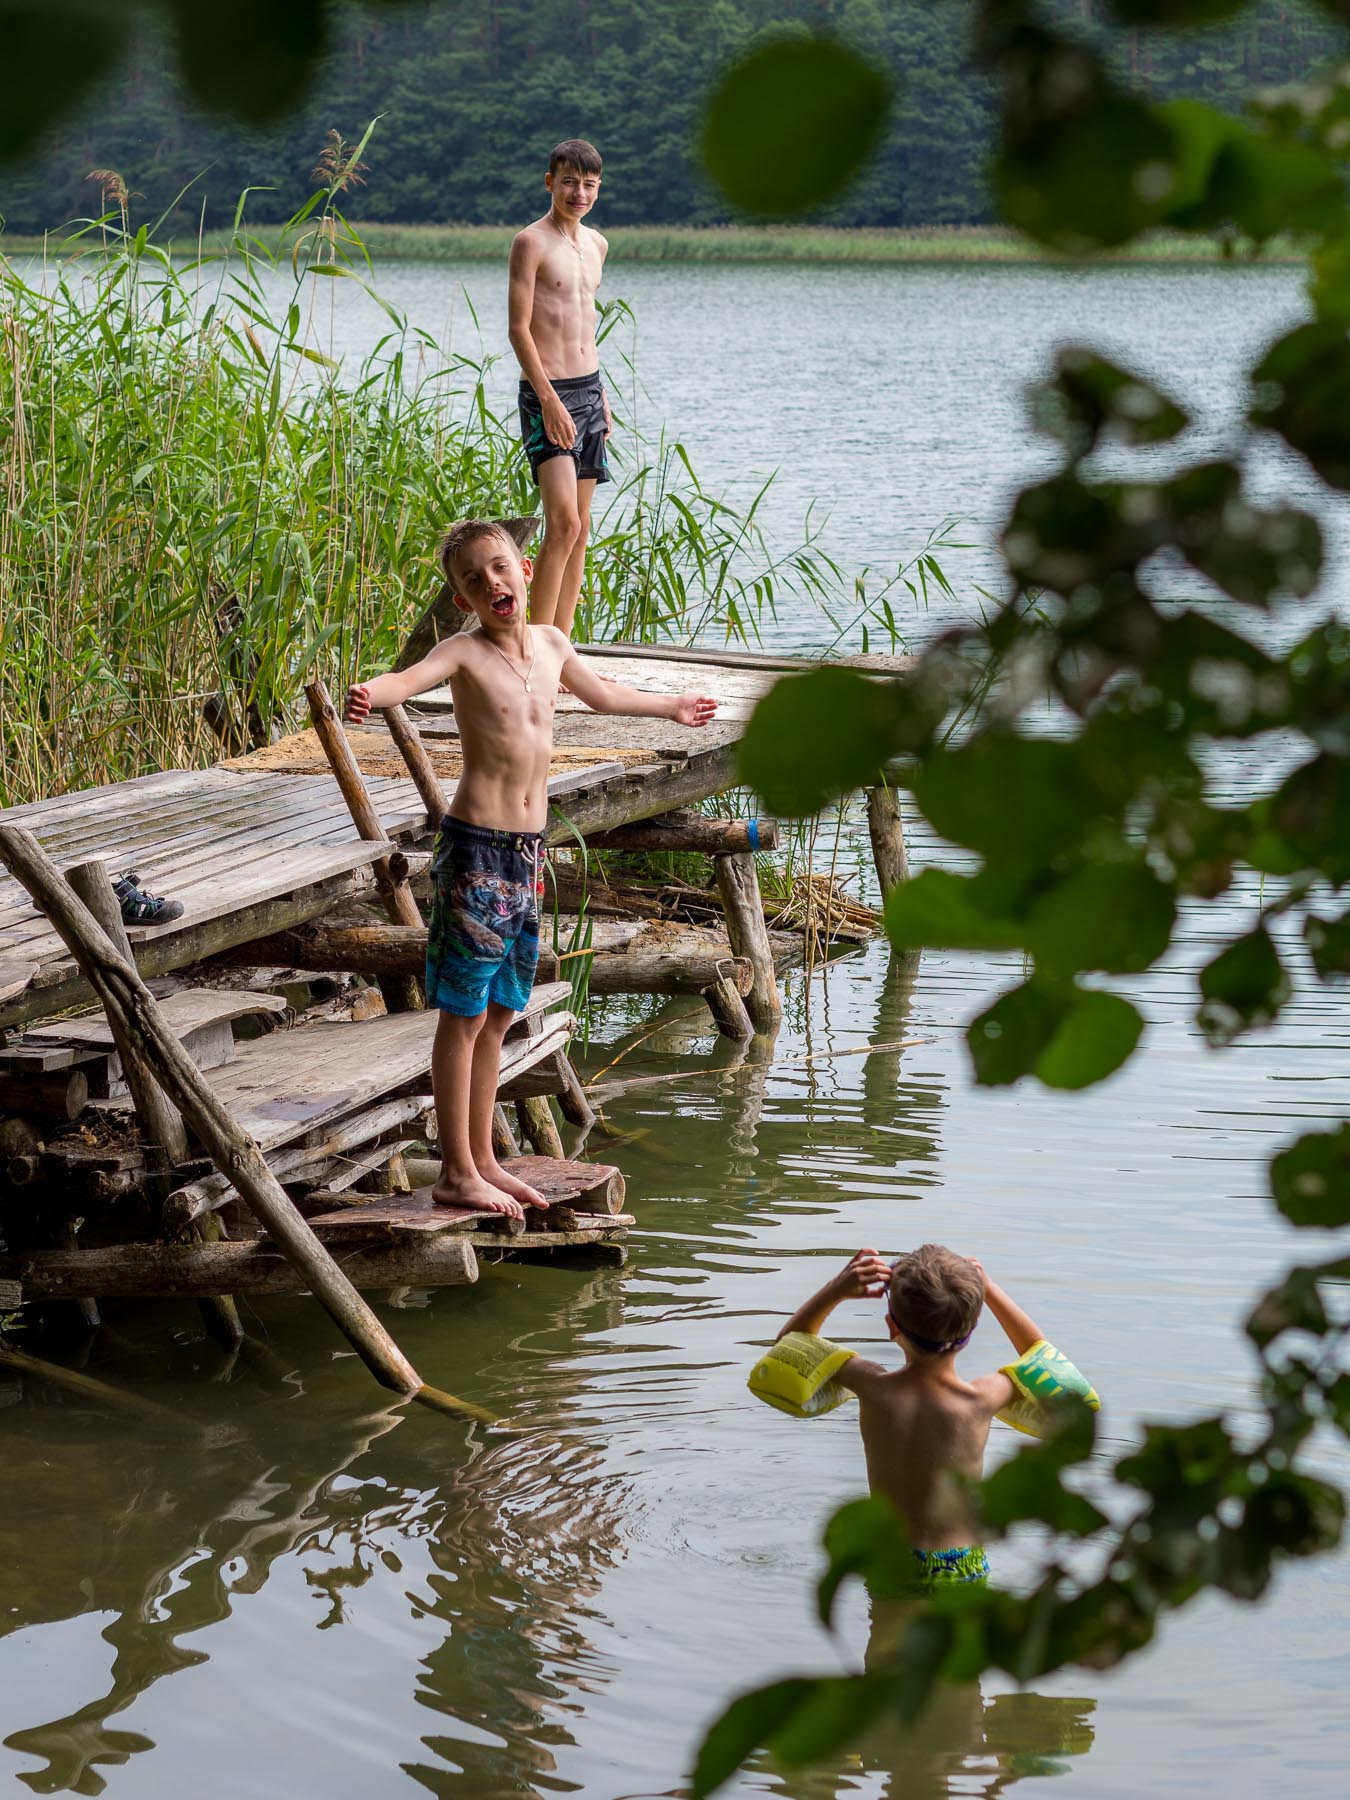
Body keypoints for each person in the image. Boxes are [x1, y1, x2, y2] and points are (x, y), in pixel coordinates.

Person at [344, 519, 716, 1219]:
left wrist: (673, 707)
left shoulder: (550, 645)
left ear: (522, 568)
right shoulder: (464, 653)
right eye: (472, 580)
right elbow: (407, 677)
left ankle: (484, 1158)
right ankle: (456, 1169)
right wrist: (371, 690)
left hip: (526, 854)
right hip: (477, 849)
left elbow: (603, 695)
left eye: (498, 568)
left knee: (502, 1010)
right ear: (463, 601)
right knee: (460, 1013)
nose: (490, 583)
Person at [777, 1244, 1054, 1586]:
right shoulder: (984, 1396)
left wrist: (836, 1288)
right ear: (971, 1328)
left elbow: (788, 1351)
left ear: (892, 1325)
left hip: (891, 1561)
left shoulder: (870, 1383)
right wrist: (991, 1291)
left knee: (882, 1640)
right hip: (962, 1563)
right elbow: (1049, 1366)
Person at [507, 138, 610, 638]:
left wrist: (603, 400)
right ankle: (534, 651)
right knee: (562, 524)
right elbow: (518, 329)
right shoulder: (531, 242)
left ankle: (562, 651)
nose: (579, 193)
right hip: (547, 395)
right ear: (550, 182)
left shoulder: (597, 244)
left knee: (582, 529)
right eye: (569, 182)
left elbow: (584, 326)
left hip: (589, 393)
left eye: (589, 185)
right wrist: (548, 399)